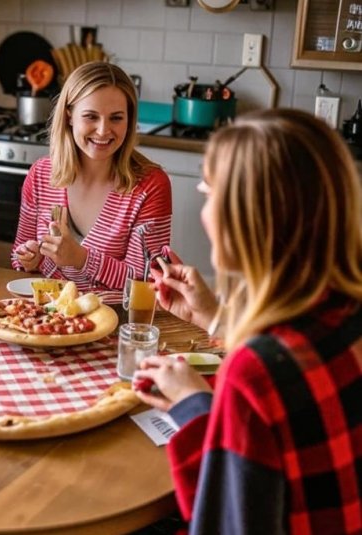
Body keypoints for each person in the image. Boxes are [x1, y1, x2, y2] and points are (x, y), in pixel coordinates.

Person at [133, 108, 362, 533]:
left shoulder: (255, 374)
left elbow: (226, 521)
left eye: (208, 192)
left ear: (248, 217)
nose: (204, 212)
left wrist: (192, 404)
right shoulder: (347, 313)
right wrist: (214, 317)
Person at [12, 62, 171, 303]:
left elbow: (145, 282)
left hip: (116, 324)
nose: (103, 130)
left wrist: (81, 258)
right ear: (69, 116)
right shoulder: (41, 174)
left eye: (116, 118)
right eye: (90, 116)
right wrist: (28, 257)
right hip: (45, 320)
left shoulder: (150, 185)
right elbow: (18, 257)